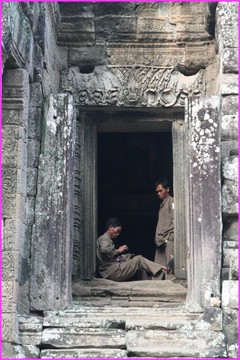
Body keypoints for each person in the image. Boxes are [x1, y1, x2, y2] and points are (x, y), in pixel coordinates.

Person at [96, 217, 168, 282]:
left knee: (138, 264)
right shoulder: (104, 238)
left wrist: (116, 258)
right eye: (117, 231)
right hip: (112, 272)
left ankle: (146, 283)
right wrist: (118, 250)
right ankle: (161, 268)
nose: (118, 234)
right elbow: (105, 250)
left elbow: (106, 255)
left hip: (112, 270)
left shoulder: (106, 239)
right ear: (110, 227)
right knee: (138, 259)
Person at [154, 178, 174, 279]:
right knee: (157, 268)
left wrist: (171, 236)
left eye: (160, 190)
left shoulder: (172, 202)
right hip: (160, 240)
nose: (158, 193)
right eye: (157, 191)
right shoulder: (162, 204)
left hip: (169, 239)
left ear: (168, 189)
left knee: (169, 269)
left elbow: (176, 221)